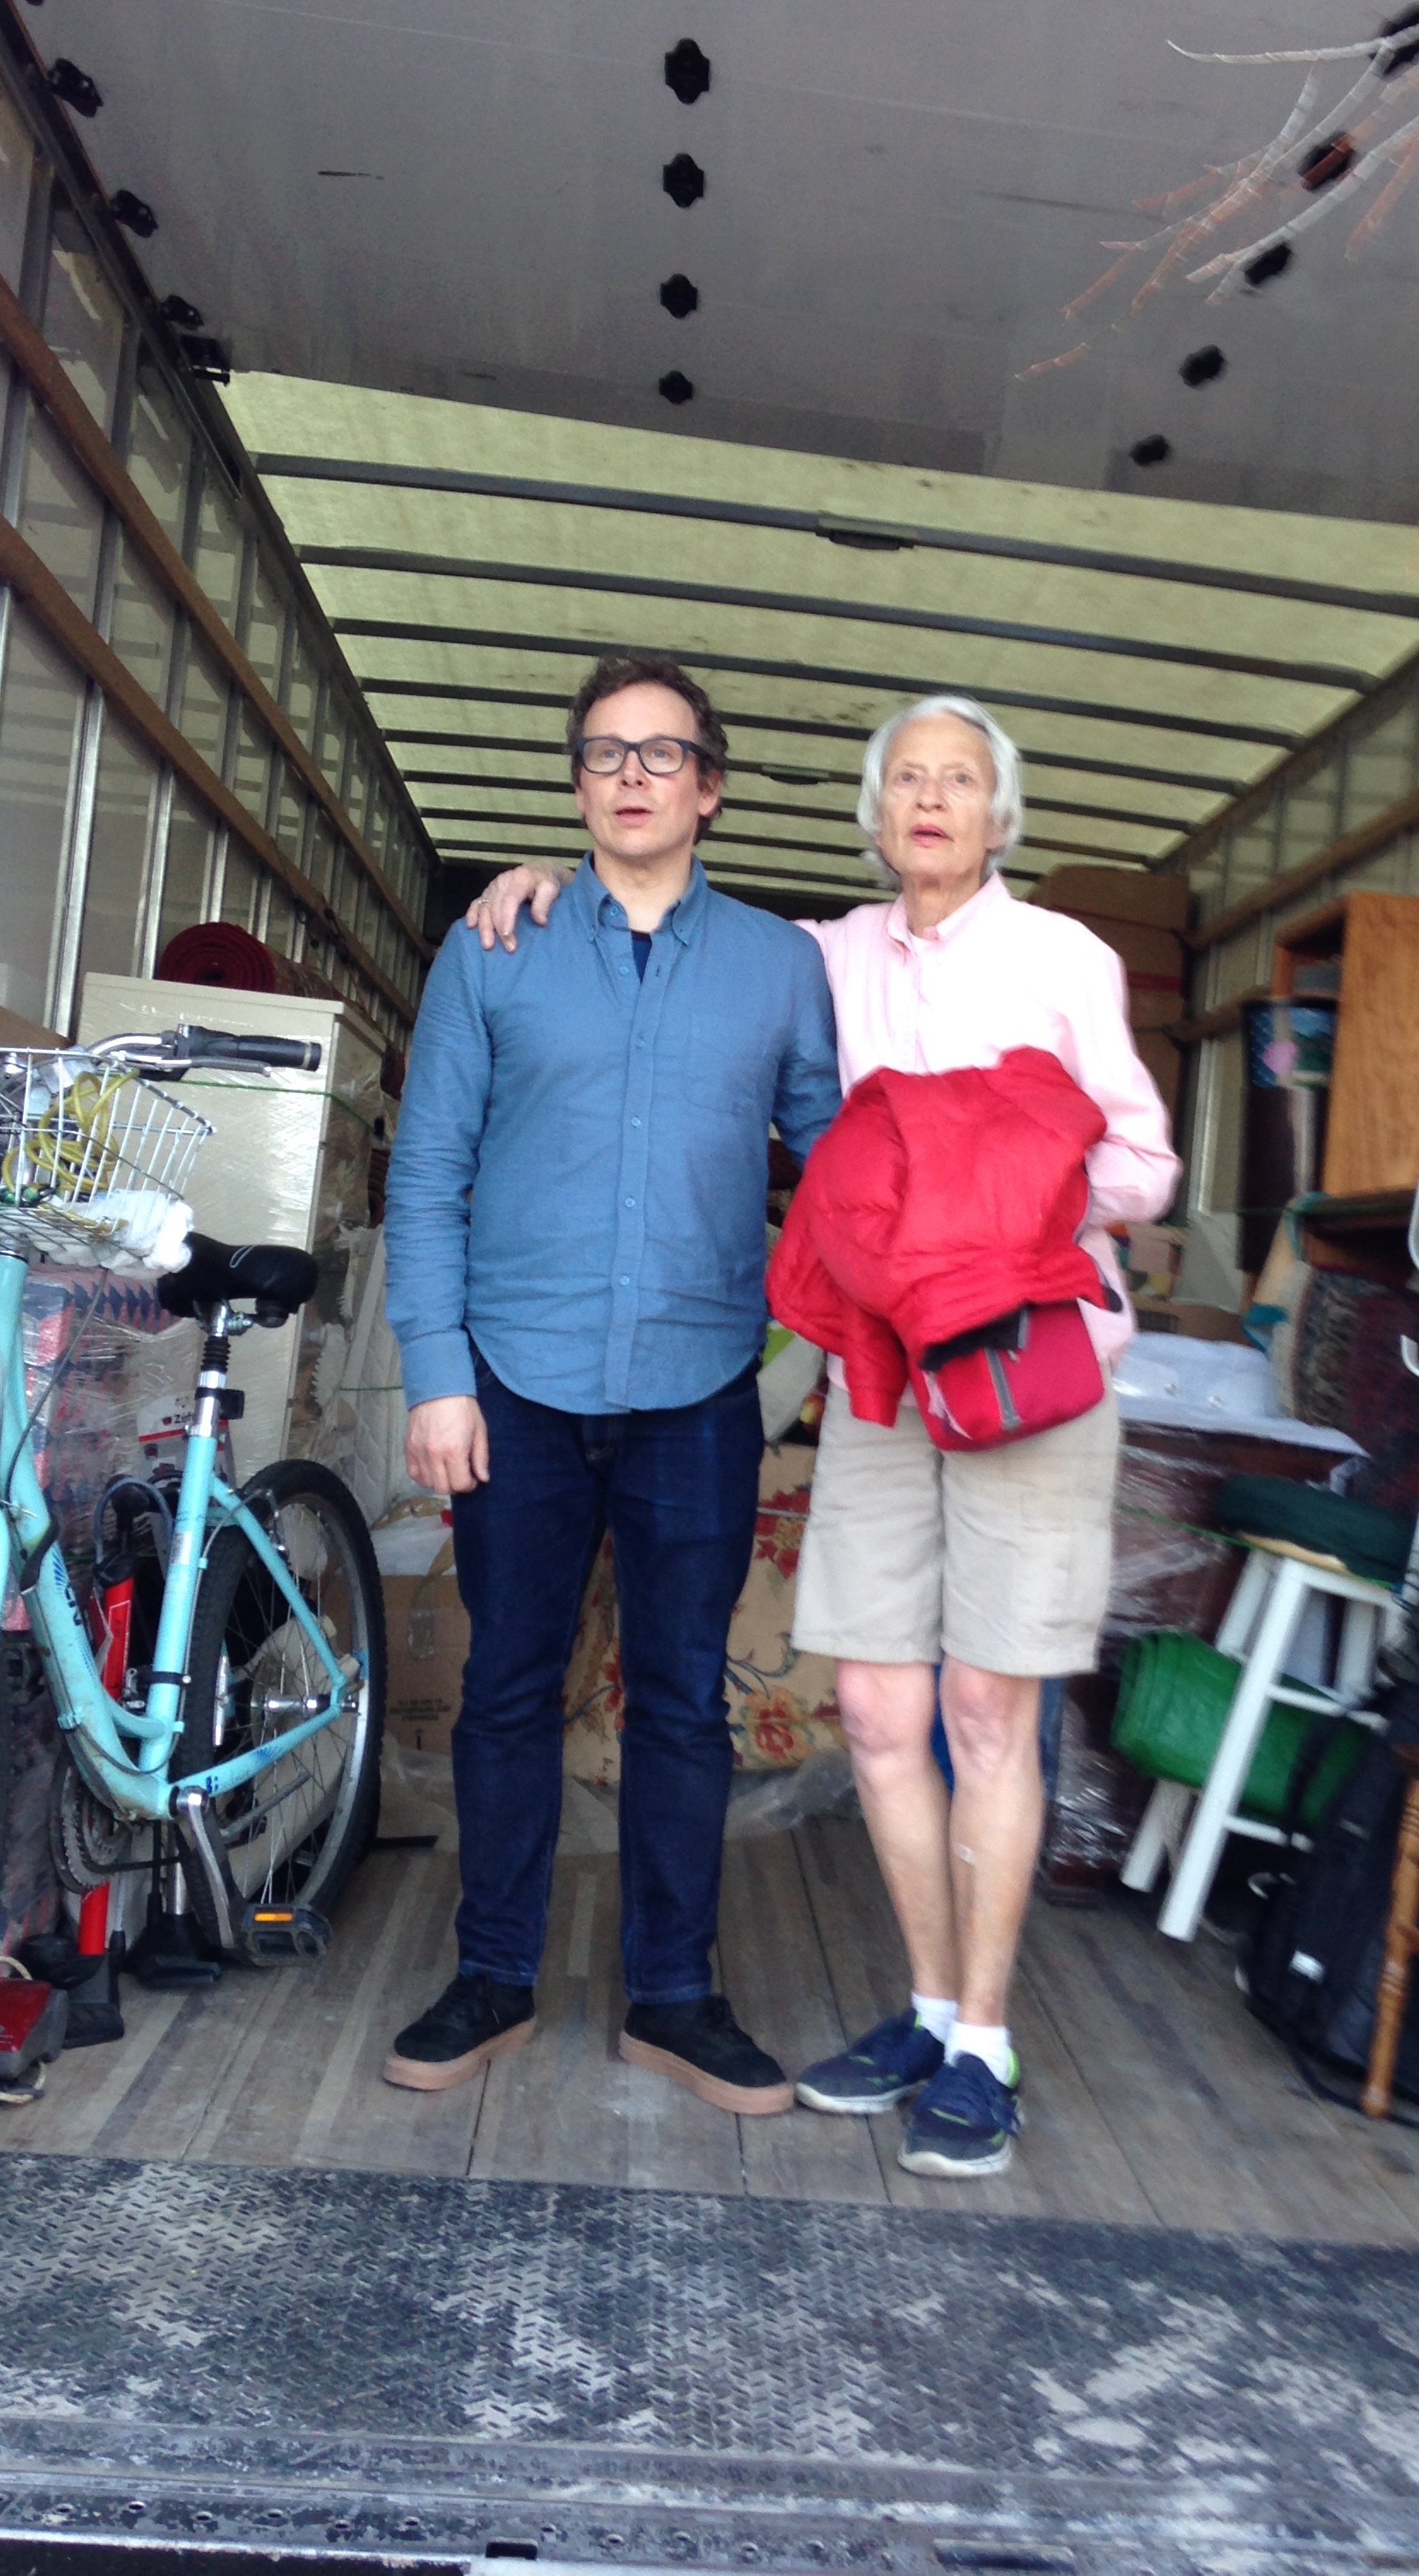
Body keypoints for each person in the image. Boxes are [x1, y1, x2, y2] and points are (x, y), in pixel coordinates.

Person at [465, 693, 1178, 2178]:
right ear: (874, 811)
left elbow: (1144, 1164)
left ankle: (985, 2044)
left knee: (989, 1711)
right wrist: (535, 882)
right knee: (876, 1708)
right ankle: (928, 2010)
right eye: (907, 778)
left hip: (1031, 1367)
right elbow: (665, 930)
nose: (932, 800)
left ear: (999, 811)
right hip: (884, 1377)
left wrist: (996, 1196)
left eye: (960, 779)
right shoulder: (820, 960)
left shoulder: (1067, 959)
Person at [383, 652, 841, 2112]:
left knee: (682, 1700)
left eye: (663, 752)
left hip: (699, 1383)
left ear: (711, 787)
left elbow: (839, 1162)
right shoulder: (494, 948)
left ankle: (675, 1998)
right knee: (508, 1687)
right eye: (604, 752)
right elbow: (427, 1173)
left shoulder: (782, 965)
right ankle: (492, 1976)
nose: (632, 774)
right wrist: (436, 1375)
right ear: (578, 783)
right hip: (514, 1376)